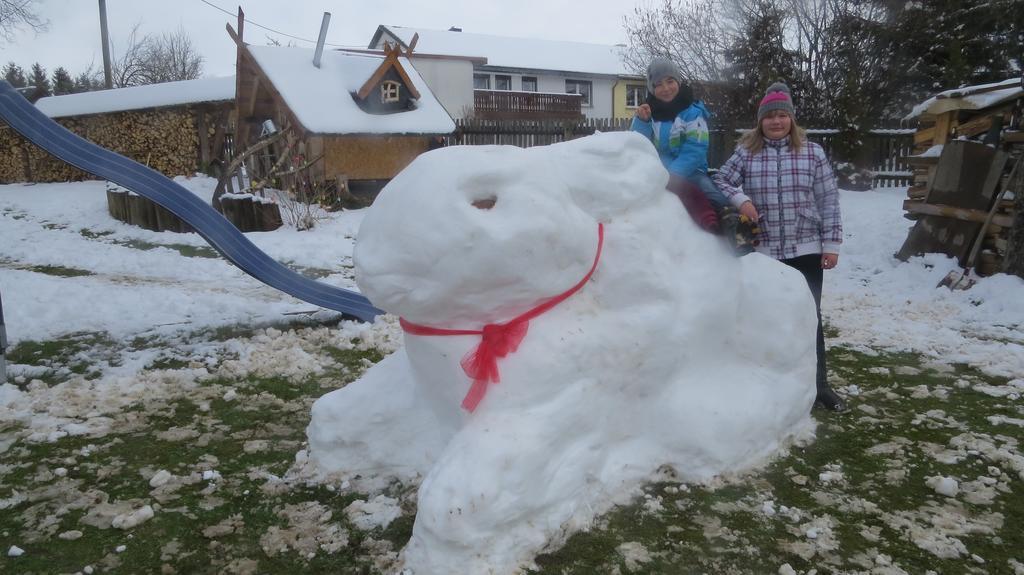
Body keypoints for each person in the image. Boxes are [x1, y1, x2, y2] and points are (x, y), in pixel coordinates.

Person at [713, 82, 846, 412]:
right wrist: (742, 200)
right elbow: (722, 180)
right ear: (760, 122)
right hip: (766, 251)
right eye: (769, 116)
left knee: (809, 316)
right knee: (767, 316)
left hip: (806, 248)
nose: (776, 122)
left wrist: (831, 244)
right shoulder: (747, 152)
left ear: (791, 119)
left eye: (782, 115)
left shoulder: (812, 152)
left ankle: (819, 386)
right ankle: (770, 384)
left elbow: (828, 199)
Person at [631, 57, 728, 233]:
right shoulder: (650, 112)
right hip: (658, 170)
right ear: (652, 89)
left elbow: (695, 150)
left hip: (691, 171)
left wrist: (673, 175)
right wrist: (642, 122)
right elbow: (638, 145)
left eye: (670, 81)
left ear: (678, 81)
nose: (666, 88)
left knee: (710, 192)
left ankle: (730, 221)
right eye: (658, 84)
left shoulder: (693, 112)